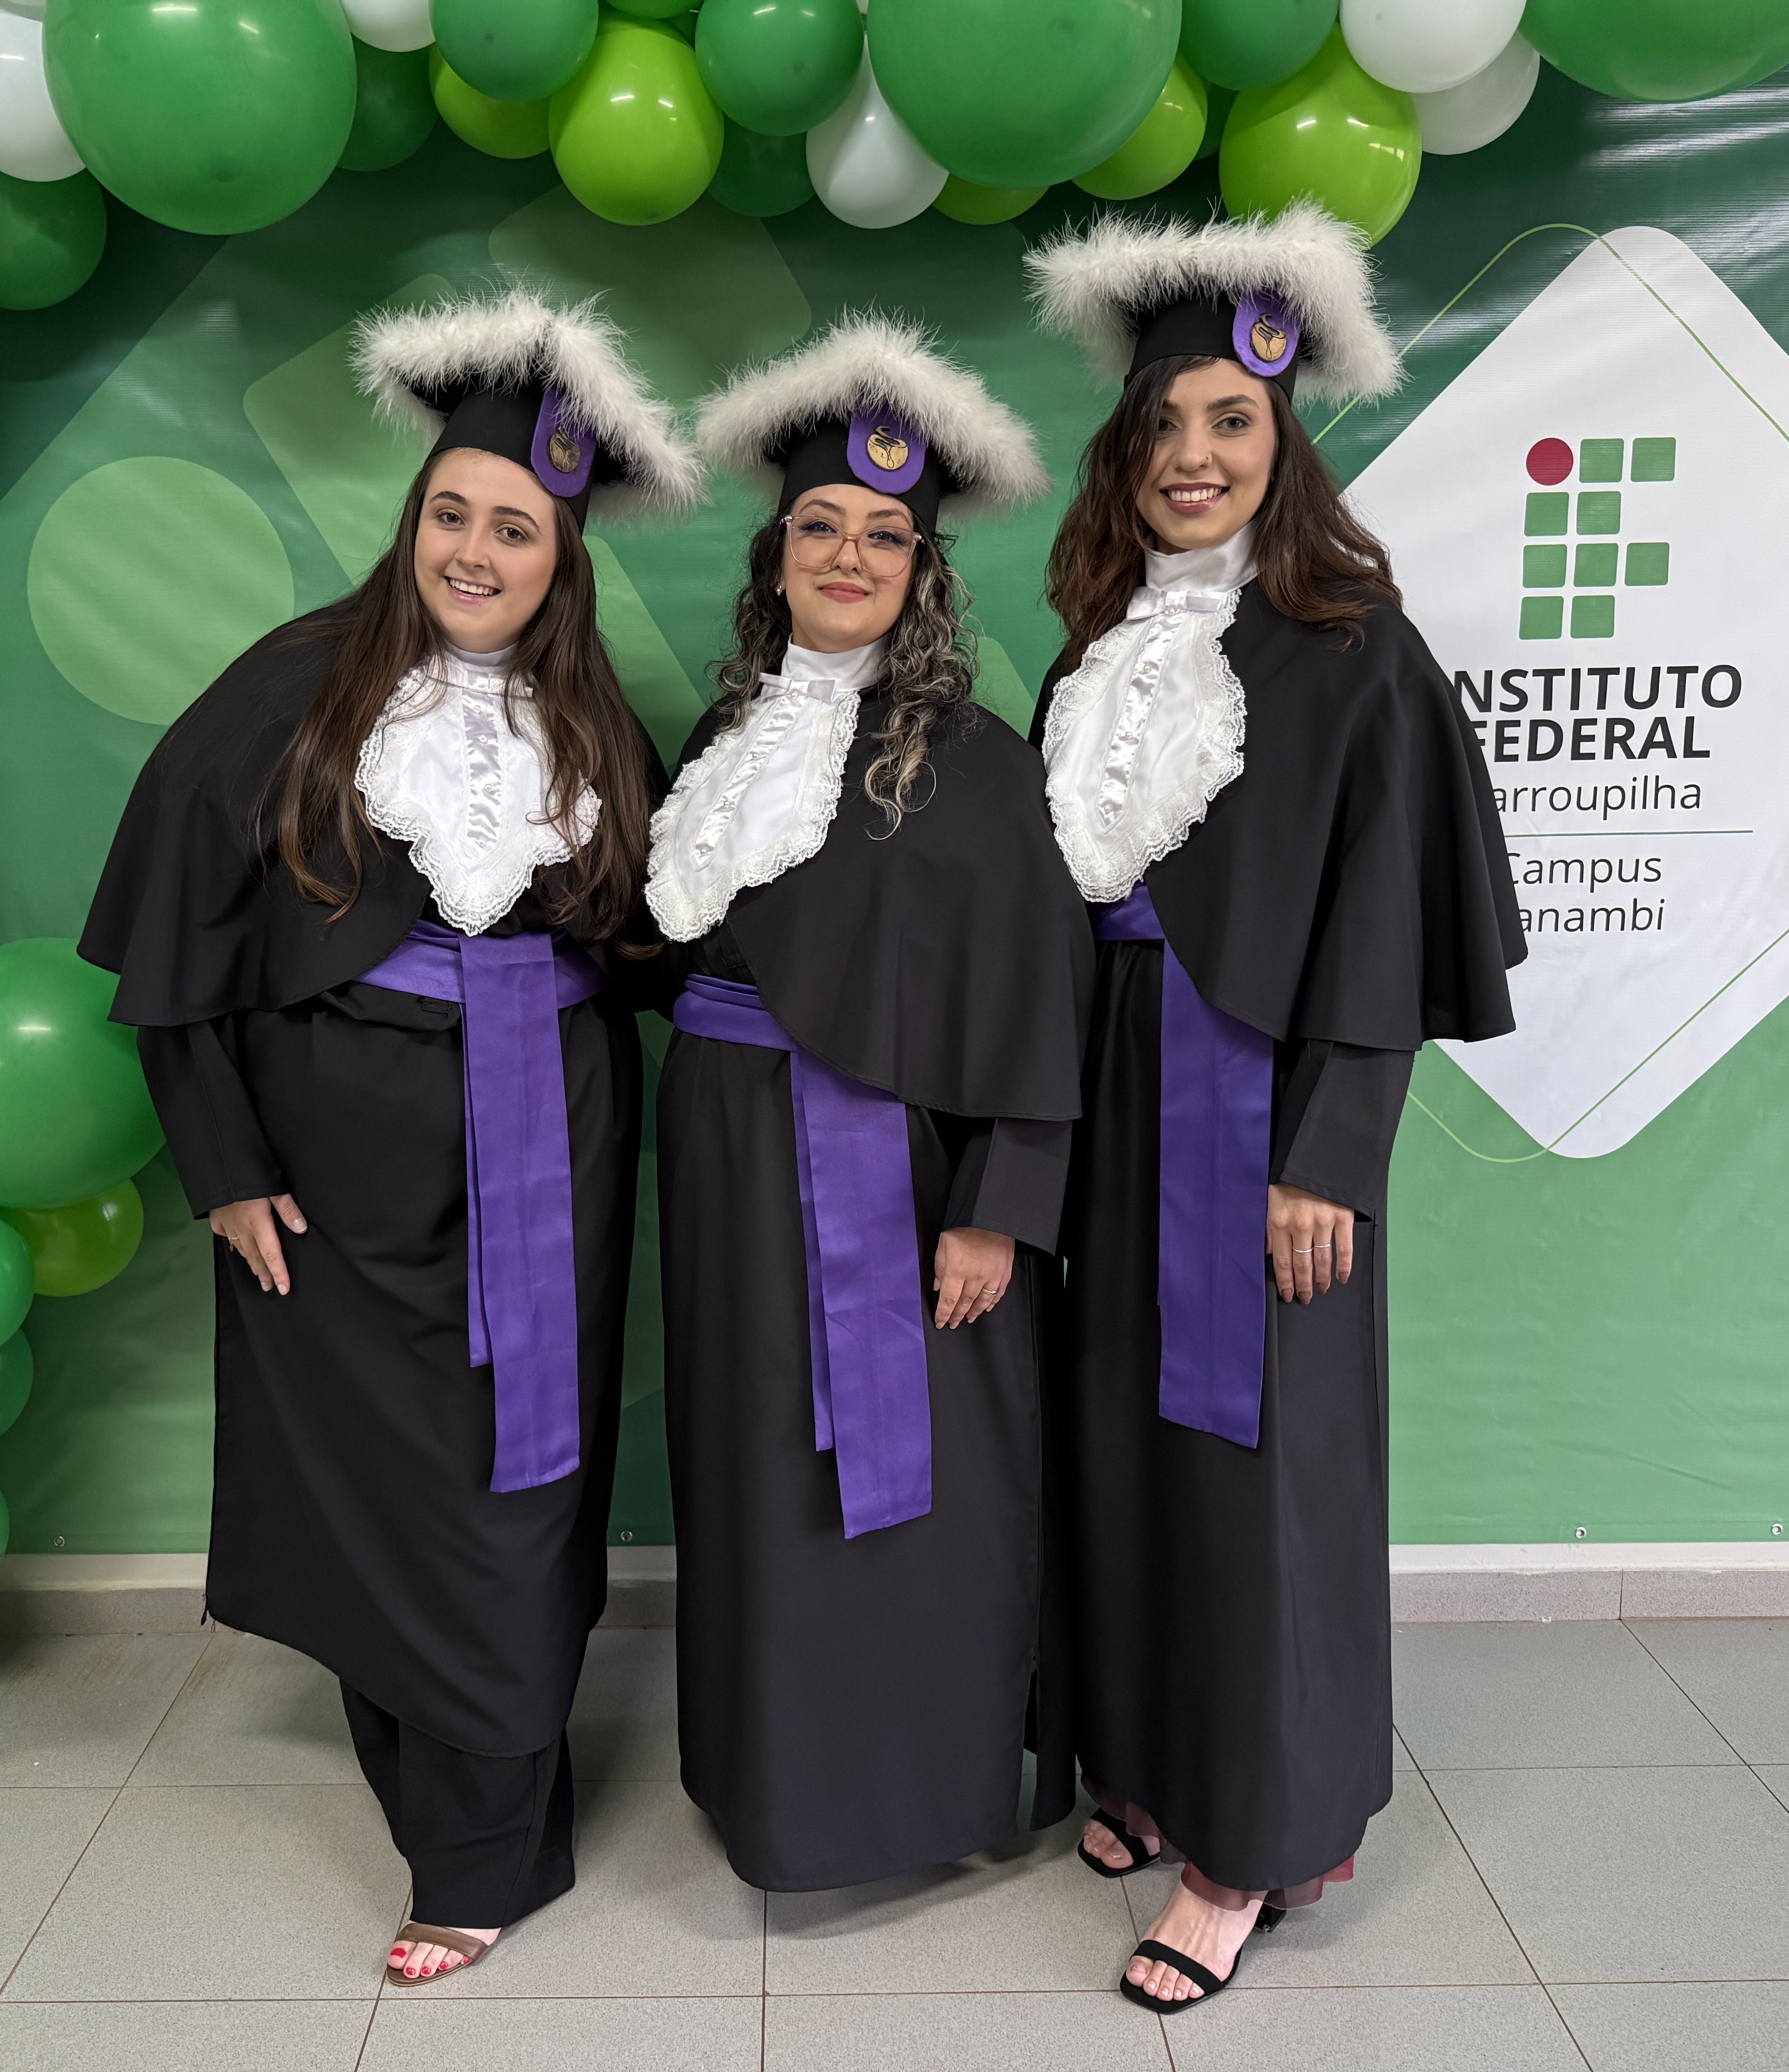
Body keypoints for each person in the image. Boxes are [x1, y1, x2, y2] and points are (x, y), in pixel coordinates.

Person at [79, 290, 701, 1985]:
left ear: (563, 559)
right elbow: (174, 963)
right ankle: (459, 1816)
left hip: (554, 1150)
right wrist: (223, 1166)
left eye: (515, 529)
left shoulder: (595, 721)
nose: (475, 552)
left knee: (518, 1487)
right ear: (413, 517)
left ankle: (480, 1850)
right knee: (377, 1495)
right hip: (336, 1188)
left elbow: (663, 937)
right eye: (452, 514)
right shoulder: (292, 686)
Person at [1020, 209, 1525, 2013]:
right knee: (1123, 1450)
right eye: (1163, 425)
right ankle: (1156, 1759)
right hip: (1104, 1107)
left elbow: (1385, 921)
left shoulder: (1353, 647)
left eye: (1229, 422)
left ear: (1285, 440)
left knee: (1259, 1484)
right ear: (1124, 453)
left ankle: (1252, 1842)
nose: (1193, 455)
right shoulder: (1090, 652)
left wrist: (1330, 1155)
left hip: (1256, 1118)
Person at [651, 314, 1094, 1892]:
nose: (850, 555)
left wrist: (998, 1210)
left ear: (922, 571)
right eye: (821, 528)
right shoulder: (719, 743)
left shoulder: (975, 762)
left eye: (885, 536)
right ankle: (768, 1785)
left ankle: (908, 1798)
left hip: (900, 1187)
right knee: (753, 1473)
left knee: (907, 1501)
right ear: (775, 558)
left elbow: (1045, 1001)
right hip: (721, 1166)